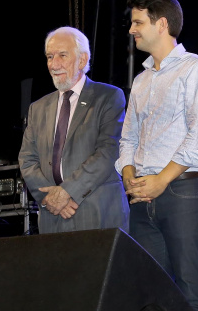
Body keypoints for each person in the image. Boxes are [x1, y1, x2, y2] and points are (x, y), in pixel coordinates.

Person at [116, 0, 198, 311]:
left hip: (183, 191)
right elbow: (127, 136)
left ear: (161, 24)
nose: (132, 29)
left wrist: (161, 180)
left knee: (192, 289)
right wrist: (129, 174)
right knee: (151, 294)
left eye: (138, 22)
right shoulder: (142, 79)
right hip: (142, 194)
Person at [19, 26, 129, 233]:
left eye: (62, 55)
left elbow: (108, 151)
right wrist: (49, 198)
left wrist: (67, 192)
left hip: (97, 214)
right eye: (50, 57)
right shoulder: (37, 108)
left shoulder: (109, 97)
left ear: (82, 60)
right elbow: (26, 159)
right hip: (53, 217)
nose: (54, 64)